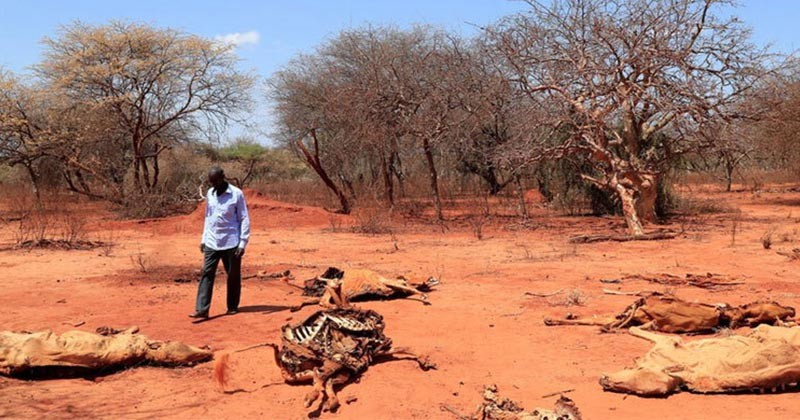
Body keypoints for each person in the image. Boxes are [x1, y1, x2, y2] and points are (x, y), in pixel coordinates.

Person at [189, 166, 251, 319]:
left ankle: (232, 306)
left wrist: (242, 243)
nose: (214, 185)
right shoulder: (210, 193)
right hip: (212, 241)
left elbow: (244, 218)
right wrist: (204, 238)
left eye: (216, 181)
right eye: (211, 182)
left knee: (233, 275)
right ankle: (202, 309)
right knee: (207, 273)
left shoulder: (236, 194)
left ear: (223, 177)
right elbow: (208, 218)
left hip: (231, 241)